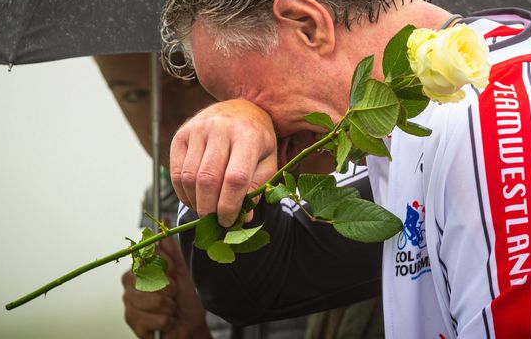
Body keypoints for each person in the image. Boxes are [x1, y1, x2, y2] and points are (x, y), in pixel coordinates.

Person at [162, 0, 531, 338]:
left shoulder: (503, 124)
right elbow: (261, 285)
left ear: (307, 24)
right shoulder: (419, 124)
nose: (280, 146)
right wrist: (232, 132)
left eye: (244, 93)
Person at [95, 53, 384, 338]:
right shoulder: (164, 204)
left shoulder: (344, 170)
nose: (168, 120)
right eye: (134, 95)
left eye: (189, 81)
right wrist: (191, 333)